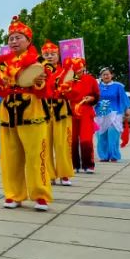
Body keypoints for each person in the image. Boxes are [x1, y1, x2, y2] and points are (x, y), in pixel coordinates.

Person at [0, 16, 51, 211]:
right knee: (10, 156)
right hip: (8, 111)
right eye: (11, 38)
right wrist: (1, 83)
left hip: (32, 109)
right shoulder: (2, 63)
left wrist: (39, 80)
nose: (13, 41)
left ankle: (40, 195)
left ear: (28, 41)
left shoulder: (40, 61)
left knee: (35, 155)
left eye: (18, 37)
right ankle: (13, 194)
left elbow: (48, 85)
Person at [40, 41, 74, 186]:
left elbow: (74, 89)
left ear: (58, 55)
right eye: (46, 54)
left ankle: (64, 174)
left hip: (61, 110)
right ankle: (49, 173)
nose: (49, 57)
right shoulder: (39, 70)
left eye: (52, 54)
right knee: (45, 144)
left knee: (62, 144)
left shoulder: (66, 70)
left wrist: (66, 90)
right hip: (43, 110)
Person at [61, 57, 100, 174]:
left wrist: (91, 98)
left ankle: (88, 164)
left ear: (83, 67)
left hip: (86, 111)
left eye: (80, 67)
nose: (78, 70)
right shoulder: (68, 80)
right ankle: (74, 164)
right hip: (71, 111)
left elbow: (96, 95)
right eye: (75, 68)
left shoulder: (90, 79)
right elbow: (62, 94)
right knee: (71, 139)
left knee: (86, 139)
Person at [95, 67, 130, 162]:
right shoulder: (97, 86)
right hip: (100, 114)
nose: (106, 76)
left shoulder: (118, 86)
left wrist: (127, 109)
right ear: (101, 76)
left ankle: (114, 155)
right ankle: (103, 156)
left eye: (108, 74)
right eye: (104, 75)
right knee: (101, 136)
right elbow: (93, 99)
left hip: (115, 114)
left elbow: (124, 98)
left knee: (113, 135)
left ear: (112, 75)